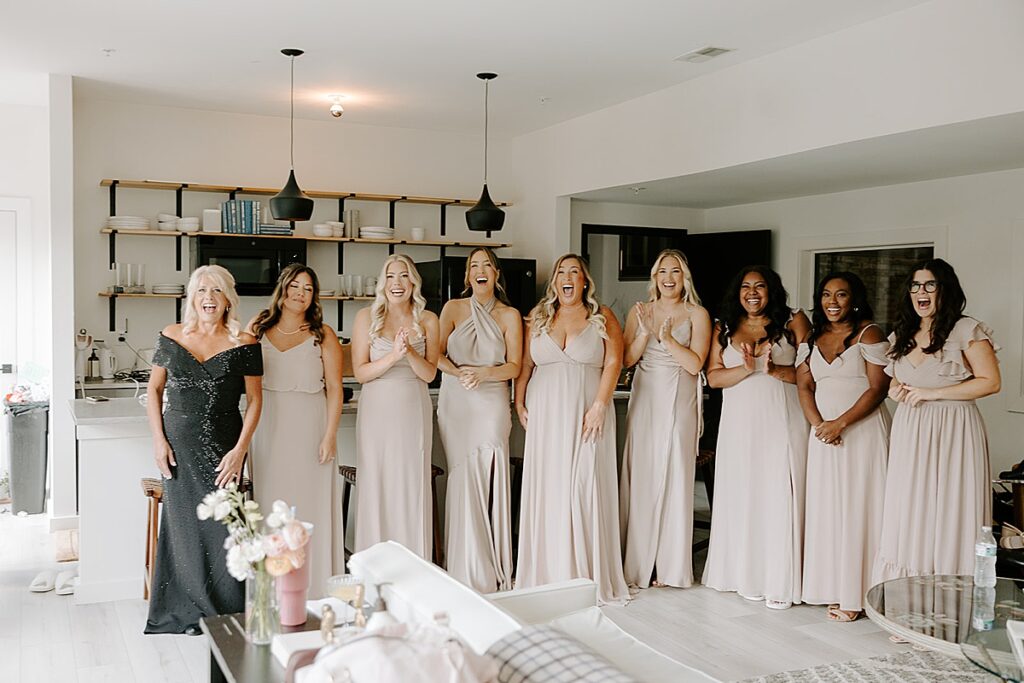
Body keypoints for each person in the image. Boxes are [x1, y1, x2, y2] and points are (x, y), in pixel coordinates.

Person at [144, 265, 263, 635]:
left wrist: (240, 450)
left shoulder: (245, 343)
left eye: (216, 290)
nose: (208, 297)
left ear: (229, 298)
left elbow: (256, 402)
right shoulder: (171, 335)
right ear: (192, 298)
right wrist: (159, 440)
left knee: (223, 527)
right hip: (178, 445)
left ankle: (225, 613)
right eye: (201, 290)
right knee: (183, 527)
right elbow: (154, 391)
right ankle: (186, 612)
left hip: (224, 444)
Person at [874, 258, 1000, 581]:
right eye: (915, 285)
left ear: (945, 290)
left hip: (953, 431)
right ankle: (906, 605)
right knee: (910, 510)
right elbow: (890, 381)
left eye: (930, 284)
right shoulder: (902, 332)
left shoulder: (965, 329)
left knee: (949, 511)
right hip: (911, 430)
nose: (921, 292)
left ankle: (946, 609)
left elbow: (990, 381)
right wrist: (896, 390)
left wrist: (934, 394)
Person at [515, 254, 630, 605]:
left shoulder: (602, 316)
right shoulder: (537, 317)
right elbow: (525, 364)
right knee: (549, 488)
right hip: (545, 415)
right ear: (554, 283)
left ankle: (584, 574)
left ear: (584, 282)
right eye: (561, 272)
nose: (567, 277)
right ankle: (548, 572)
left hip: (587, 412)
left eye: (574, 272)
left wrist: (599, 404)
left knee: (583, 487)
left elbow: (614, 361)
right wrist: (519, 403)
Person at [701, 266, 810, 610]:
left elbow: (812, 374)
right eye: (746, 286)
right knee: (743, 494)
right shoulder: (724, 327)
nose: (752, 292)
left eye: (760, 286)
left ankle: (779, 578)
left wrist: (772, 369)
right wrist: (747, 369)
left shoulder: (793, 322)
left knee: (777, 493)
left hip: (781, 421)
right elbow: (714, 378)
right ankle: (744, 574)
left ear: (772, 291)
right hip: (738, 427)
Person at [796, 272, 890, 622]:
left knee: (862, 508)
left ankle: (862, 594)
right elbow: (804, 386)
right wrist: (819, 426)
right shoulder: (810, 337)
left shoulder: (870, 333)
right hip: (824, 436)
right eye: (825, 295)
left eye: (841, 295)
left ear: (855, 299)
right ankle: (831, 586)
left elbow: (878, 389)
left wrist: (841, 423)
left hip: (862, 433)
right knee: (829, 508)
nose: (832, 302)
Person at [247, 264, 343, 598]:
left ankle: (314, 589)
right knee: (271, 503)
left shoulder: (323, 334)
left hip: (310, 425)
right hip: (268, 424)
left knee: (309, 504)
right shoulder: (258, 328)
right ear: (283, 288)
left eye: (308, 289)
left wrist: (330, 434)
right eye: (295, 286)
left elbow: (335, 387)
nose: (300, 293)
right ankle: (272, 588)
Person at [619, 249, 711, 589]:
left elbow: (695, 364)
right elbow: (627, 360)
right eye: (662, 272)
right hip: (645, 398)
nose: (668, 278)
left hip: (679, 399)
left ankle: (670, 567)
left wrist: (669, 339)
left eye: (675, 271)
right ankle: (638, 564)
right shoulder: (639, 311)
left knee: (674, 475)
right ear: (654, 278)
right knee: (642, 475)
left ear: (684, 277)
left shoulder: (697, 314)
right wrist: (644, 333)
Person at [437, 248, 522, 593]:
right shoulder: (453, 309)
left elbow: (515, 365)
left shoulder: (510, 315)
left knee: (489, 474)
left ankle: (492, 563)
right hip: (456, 400)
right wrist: (460, 374)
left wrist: (485, 373)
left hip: (491, 401)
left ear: (497, 274)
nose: (481, 270)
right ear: (467, 275)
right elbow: (435, 354)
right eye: (474, 265)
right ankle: (462, 563)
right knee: (462, 476)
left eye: (487, 264)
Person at [351, 254, 440, 560]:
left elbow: (430, 374)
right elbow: (360, 373)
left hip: (412, 410)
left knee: (410, 482)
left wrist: (410, 352)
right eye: (390, 277)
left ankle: (413, 561)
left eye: (403, 276)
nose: (397, 283)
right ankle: (374, 561)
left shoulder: (428, 320)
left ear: (413, 282)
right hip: (377, 410)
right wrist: (392, 357)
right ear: (383, 283)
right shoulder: (367, 317)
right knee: (376, 482)